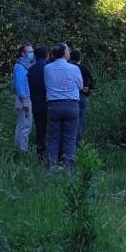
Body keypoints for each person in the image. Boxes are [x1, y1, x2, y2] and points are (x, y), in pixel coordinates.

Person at [44, 43, 83, 173]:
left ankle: (51, 167)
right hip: (71, 104)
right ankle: (69, 168)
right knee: (70, 138)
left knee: (53, 137)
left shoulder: (47, 68)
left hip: (53, 105)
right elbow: (81, 85)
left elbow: (47, 84)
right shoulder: (74, 69)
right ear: (64, 53)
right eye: (67, 50)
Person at [27, 46, 49, 165]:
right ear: (46, 55)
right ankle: (51, 157)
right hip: (48, 104)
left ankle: (40, 157)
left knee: (40, 131)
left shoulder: (30, 69)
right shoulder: (48, 68)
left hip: (35, 104)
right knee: (50, 131)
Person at [69, 49, 94, 147]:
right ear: (80, 58)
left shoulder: (68, 68)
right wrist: (88, 88)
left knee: (70, 120)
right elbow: (92, 81)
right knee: (81, 120)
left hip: (70, 96)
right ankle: (79, 143)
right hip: (82, 96)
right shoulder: (84, 68)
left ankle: (69, 142)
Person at [12, 43, 34, 152]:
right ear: (23, 53)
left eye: (32, 52)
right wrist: (24, 99)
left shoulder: (25, 65)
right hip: (24, 99)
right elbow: (19, 85)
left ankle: (18, 149)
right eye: (29, 52)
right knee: (25, 126)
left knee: (22, 125)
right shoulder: (20, 66)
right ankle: (22, 151)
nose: (32, 54)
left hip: (25, 98)